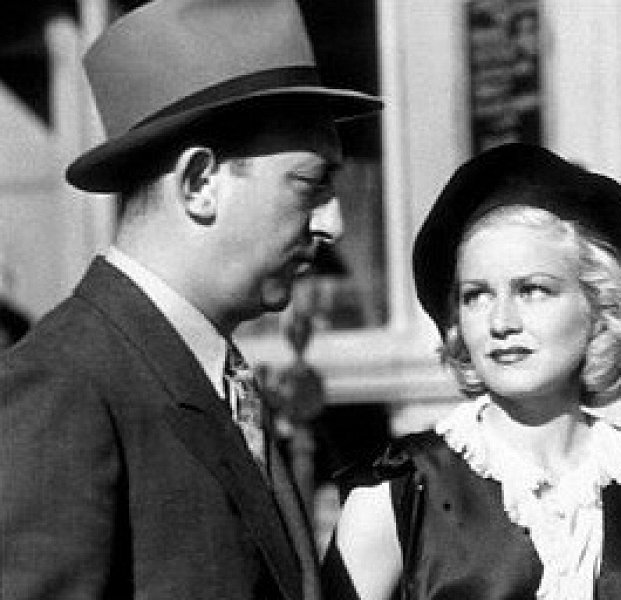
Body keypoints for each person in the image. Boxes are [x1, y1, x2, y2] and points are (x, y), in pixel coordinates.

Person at [0, 0, 381, 598]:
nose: (333, 224)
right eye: (310, 184)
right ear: (199, 183)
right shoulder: (64, 387)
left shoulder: (209, 376)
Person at [321, 142, 621, 600]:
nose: (502, 322)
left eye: (534, 290)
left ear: (598, 308)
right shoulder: (403, 488)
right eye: (476, 295)